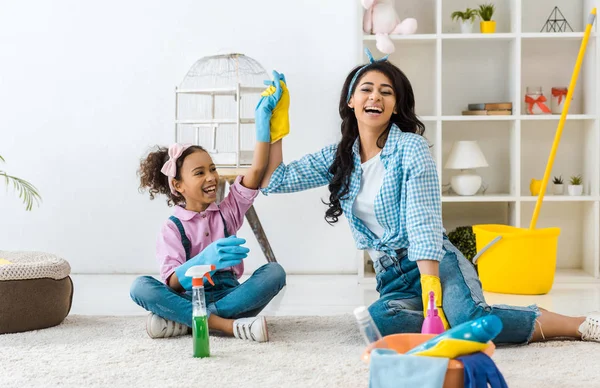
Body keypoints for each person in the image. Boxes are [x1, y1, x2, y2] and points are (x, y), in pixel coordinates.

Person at [259, 50, 600, 345]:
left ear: (396, 106)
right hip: (391, 276)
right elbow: (275, 181)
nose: (375, 97)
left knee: (467, 319)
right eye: (366, 89)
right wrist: (275, 126)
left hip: (435, 262)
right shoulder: (340, 156)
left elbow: (423, 220)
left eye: (386, 92)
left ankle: (574, 324)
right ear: (351, 101)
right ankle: (463, 325)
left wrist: (431, 285)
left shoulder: (411, 148)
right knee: (376, 324)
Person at [130, 72, 288, 341]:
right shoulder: (172, 228)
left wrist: (265, 122)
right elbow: (171, 283)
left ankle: (189, 321)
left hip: (229, 294)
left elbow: (259, 169)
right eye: (199, 172)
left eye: (212, 169)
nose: (211, 177)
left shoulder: (228, 212)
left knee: (275, 273)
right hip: (189, 294)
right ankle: (227, 325)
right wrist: (204, 261)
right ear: (178, 185)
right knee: (140, 287)